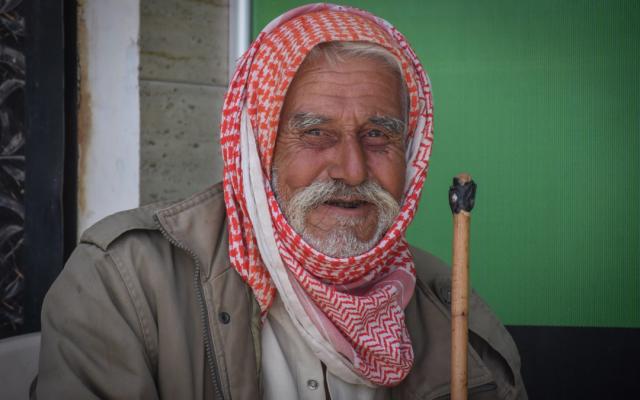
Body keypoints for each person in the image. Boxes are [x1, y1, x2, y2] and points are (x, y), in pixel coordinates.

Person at [36, 4, 527, 399]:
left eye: (379, 135)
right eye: (315, 134)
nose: (352, 170)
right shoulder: (125, 286)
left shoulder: (449, 309)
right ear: (257, 146)